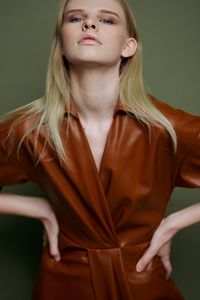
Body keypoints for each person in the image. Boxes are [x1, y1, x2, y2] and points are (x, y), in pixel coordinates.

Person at [0, 0, 199, 299]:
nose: (89, 24)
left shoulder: (167, 127)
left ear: (128, 46)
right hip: (62, 281)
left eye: (107, 20)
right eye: (75, 18)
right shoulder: (28, 130)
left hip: (143, 280)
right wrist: (37, 208)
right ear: (61, 44)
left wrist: (174, 223)